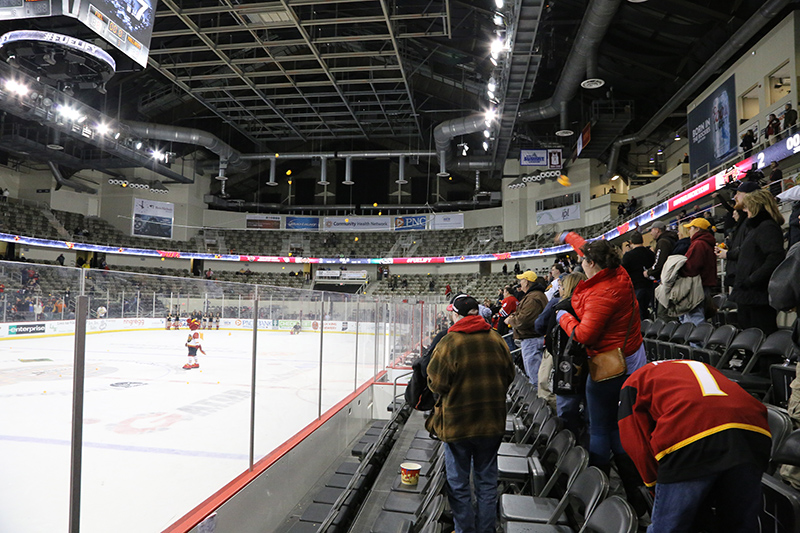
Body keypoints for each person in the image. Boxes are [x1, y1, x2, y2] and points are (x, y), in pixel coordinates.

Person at [619, 360, 771, 532]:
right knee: (739, 524)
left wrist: (654, 486)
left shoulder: (633, 382)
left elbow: (636, 444)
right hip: (755, 429)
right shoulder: (699, 366)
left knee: (668, 527)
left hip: (691, 431)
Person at [556, 234, 648, 515]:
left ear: (592, 264)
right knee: (616, 427)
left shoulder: (601, 294)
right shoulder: (617, 272)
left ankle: (596, 491)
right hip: (629, 357)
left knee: (600, 428)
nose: (579, 265)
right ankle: (636, 495)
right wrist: (568, 237)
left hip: (608, 367)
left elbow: (585, 334)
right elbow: (586, 246)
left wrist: (564, 317)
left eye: (582, 261)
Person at [426, 294, 515, 533]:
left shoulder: (449, 342)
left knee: (458, 483)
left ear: (456, 314)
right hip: (491, 423)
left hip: (458, 425)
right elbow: (510, 376)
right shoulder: (496, 339)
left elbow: (436, 384)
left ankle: (464, 529)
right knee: (486, 482)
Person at [718, 189, 785, 335]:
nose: (745, 210)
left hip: (757, 294)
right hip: (749, 294)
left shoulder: (767, 227)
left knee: (760, 335)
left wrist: (752, 279)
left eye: (747, 206)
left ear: (755, 206)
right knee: (749, 335)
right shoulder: (756, 228)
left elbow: (775, 257)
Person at [544, 272, 588, 438]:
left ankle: (568, 451)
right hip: (592, 366)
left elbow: (549, 340)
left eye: (561, 287)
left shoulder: (561, 309)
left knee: (566, 415)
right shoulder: (590, 307)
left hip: (566, 369)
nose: (560, 290)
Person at [504, 270, 548, 390]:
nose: (520, 283)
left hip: (531, 339)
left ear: (527, 282)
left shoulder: (533, 298)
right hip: (531, 338)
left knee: (535, 376)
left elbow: (523, 320)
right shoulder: (534, 296)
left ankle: (542, 402)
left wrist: (510, 320)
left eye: (522, 280)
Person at [677, 218, 717, 326]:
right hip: (704, 285)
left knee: (695, 318)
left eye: (691, 228)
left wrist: (679, 271)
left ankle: (698, 343)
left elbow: (691, 267)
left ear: (697, 229)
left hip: (697, 287)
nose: (689, 231)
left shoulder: (698, 244)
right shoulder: (706, 243)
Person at [622, 232, 656, 320]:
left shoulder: (628, 256)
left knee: (639, 315)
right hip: (650, 286)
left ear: (631, 242)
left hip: (636, 288)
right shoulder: (650, 254)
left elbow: (623, 272)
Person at [496, 285, 518, 352]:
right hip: (513, 324)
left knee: (509, 344)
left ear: (507, 292)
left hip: (507, 326)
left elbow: (503, 313)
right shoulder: (515, 299)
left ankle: (512, 359)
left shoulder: (509, 300)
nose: (503, 294)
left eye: (504, 292)